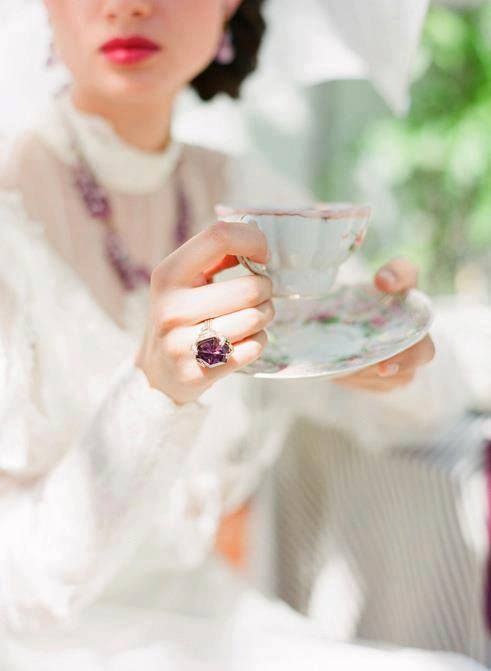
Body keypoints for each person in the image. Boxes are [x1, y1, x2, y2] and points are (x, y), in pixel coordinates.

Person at [0, 1, 480, 669]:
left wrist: (385, 356)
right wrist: (151, 392)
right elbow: (17, 586)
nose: (131, 5)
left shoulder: (248, 195)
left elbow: (433, 409)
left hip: (215, 624)